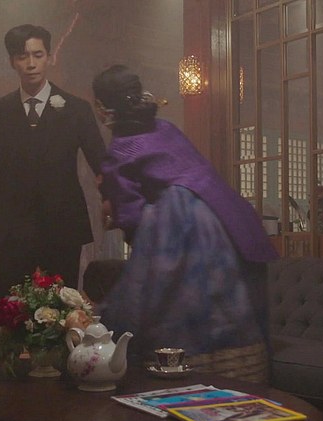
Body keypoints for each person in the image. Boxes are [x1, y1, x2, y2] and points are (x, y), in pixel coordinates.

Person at [92, 65, 279, 383]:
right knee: (229, 297)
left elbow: (131, 216)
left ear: (102, 107)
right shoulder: (167, 128)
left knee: (172, 305)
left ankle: (180, 375)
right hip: (223, 212)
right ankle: (240, 369)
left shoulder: (120, 149)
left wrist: (132, 235)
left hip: (178, 224)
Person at [0, 24, 106, 297]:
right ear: (12, 61)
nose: (31, 63)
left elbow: (102, 166)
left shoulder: (77, 109)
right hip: (14, 231)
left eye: (38, 55)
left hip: (63, 228)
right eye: (22, 56)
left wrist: (113, 203)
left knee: (63, 308)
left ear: (49, 57)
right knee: (10, 309)